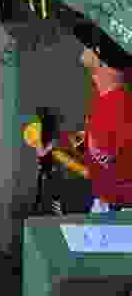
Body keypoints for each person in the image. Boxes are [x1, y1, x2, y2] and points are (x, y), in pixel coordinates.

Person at [31, 22, 132, 213]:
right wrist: (59, 146)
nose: (84, 47)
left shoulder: (121, 115)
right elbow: (100, 146)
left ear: (103, 60)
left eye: (89, 45)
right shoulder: (105, 93)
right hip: (106, 198)